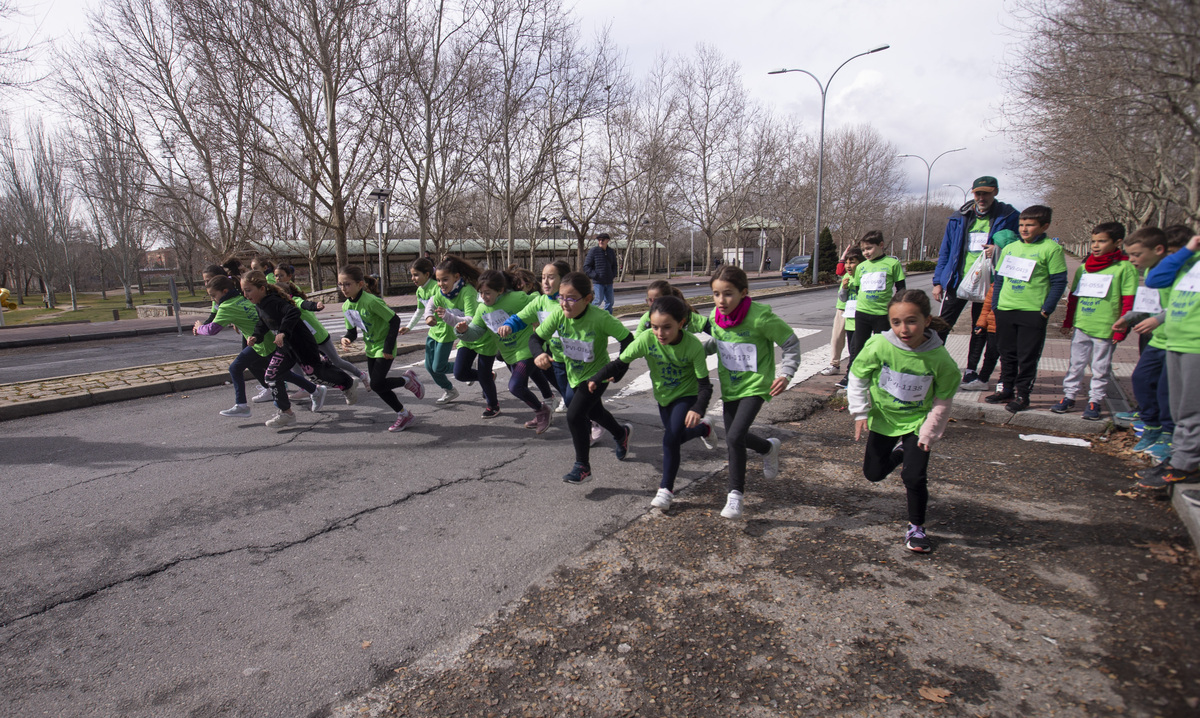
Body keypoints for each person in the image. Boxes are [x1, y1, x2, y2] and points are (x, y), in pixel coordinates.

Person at [848, 290, 960, 554]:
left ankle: (917, 527)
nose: (903, 329)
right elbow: (858, 376)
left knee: (915, 477)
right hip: (884, 419)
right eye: (896, 322)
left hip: (918, 423)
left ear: (927, 321)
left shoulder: (941, 360)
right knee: (873, 474)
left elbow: (943, 401)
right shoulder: (879, 345)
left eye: (911, 321)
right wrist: (861, 412)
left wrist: (929, 433)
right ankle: (899, 453)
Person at [589, 295, 715, 510]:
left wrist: (698, 408)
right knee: (675, 437)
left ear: (681, 323)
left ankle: (666, 489)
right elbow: (620, 362)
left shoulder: (692, 345)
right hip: (663, 396)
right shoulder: (647, 339)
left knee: (670, 439)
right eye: (655, 327)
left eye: (666, 327)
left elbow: (705, 386)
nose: (660, 333)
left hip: (686, 395)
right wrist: (596, 377)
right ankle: (704, 429)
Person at [708, 265, 800, 519]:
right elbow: (718, 342)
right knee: (733, 437)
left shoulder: (760, 317)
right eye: (716, 294)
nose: (721, 300)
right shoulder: (716, 316)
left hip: (756, 385)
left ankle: (735, 496)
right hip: (731, 386)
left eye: (727, 294)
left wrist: (786, 374)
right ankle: (768, 449)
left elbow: (790, 343)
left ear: (743, 293)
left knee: (735, 437)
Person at [531, 272, 634, 484]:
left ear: (587, 299)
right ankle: (620, 433)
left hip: (598, 375)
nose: (564, 304)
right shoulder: (559, 315)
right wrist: (538, 354)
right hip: (574, 374)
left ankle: (582, 467)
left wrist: (618, 370)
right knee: (594, 411)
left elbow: (629, 341)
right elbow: (535, 338)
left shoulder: (600, 318)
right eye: (561, 297)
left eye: (571, 298)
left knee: (575, 415)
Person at [193, 275, 326, 417]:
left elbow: (212, 330)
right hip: (261, 341)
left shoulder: (227, 306)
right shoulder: (241, 298)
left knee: (279, 374)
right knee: (237, 368)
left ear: (225, 292)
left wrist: (199, 327)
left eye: (214, 295)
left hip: (265, 344)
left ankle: (308, 394)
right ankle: (242, 405)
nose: (213, 299)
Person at [243, 271, 356, 429]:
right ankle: (286, 414)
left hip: (302, 343)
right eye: (243, 290)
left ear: (261, 288)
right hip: (286, 347)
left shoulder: (273, 301)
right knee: (271, 376)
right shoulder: (260, 305)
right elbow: (263, 323)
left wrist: (283, 331)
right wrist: (255, 336)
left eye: (248, 290)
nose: (245, 294)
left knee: (316, 375)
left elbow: (293, 312)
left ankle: (348, 383)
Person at [985, 205, 1068, 413]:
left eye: (1030, 225)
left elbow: (1059, 282)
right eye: (1022, 224)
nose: (1024, 229)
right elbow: (1001, 278)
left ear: (1044, 226)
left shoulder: (1051, 249)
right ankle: (1006, 389)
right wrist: (996, 305)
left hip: (1032, 311)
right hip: (1005, 309)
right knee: (1006, 353)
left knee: (1027, 356)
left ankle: (1023, 395)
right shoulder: (1012, 248)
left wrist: (1046, 309)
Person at [1051, 222, 1137, 421]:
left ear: (1118, 242)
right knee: (1076, 364)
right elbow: (1073, 296)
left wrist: (1121, 328)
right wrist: (1068, 322)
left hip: (1106, 328)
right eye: (1093, 241)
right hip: (1082, 325)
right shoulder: (1084, 267)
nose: (1095, 246)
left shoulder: (1125, 268)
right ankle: (1069, 396)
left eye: (1102, 241)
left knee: (1100, 367)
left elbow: (1128, 301)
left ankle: (1095, 401)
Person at [455, 269, 555, 433]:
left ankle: (542, 411)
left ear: (500, 290)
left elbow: (537, 299)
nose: (484, 297)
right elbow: (477, 332)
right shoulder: (482, 309)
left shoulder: (516, 298)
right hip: (510, 354)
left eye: (488, 293)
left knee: (515, 386)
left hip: (528, 349)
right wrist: (463, 331)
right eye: (481, 293)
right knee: (524, 384)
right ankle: (545, 406)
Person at [1137, 233, 1200, 487]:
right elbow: (1155, 279)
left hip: (1195, 344)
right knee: (1179, 408)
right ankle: (1179, 457)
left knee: (1193, 408)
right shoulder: (1189, 260)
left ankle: (1185, 464)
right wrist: (1188, 250)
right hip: (1177, 340)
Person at [932, 176, 1020, 341]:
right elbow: (946, 251)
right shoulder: (959, 217)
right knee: (941, 326)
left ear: (995, 192)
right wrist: (938, 282)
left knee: (979, 328)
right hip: (957, 280)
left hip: (987, 281)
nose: (981, 198)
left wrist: (1000, 249)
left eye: (986, 194)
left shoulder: (1009, 216)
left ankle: (972, 367)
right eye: (977, 193)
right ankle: (932, 363)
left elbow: (1021, 245)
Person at [338, 265, 424, 432]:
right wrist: (347, 338)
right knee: (378, 385)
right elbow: (352, 330)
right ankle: (404, 412)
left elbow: (395, 321)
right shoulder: (346, 306)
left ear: (360, 284)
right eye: (340, 285)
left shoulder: (371, 301)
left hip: (384, 345)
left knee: (376, 384)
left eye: (347, 284)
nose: (343, 288)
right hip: (370, 347)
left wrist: (388, 346)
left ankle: (407, 383)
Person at [1113, 227, 1174, 462]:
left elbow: (1183, 304)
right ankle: (1151, 426)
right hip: (1157, 338)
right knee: (1141, 378)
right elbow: (1148, 302)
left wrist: (1157, 319)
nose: (1131, 260)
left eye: (1137, 254)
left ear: (1158, 250)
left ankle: (1167, 435)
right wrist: (1128, 318)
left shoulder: (1176, 273)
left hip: (1177, 340)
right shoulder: (1150, 272)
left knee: (1166, 388)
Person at [497, 261, 576, 415]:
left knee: (578, 399)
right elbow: (520, 317)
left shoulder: (572, 302)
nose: (545, 282)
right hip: (554, 358)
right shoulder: (540, 301)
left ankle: (601, 425)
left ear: (564, 280)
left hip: (575, 359)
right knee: (570, 397)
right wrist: (509, 325)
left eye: (551, 277)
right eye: (543, 277)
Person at [428, 255, 501, 418]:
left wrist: (448, 317)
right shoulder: (443, 292)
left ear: (456, 277)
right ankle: (488, 378)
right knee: (460, 373)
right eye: (438, 280)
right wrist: (428, 316)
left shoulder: (467, 291)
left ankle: (493, 405)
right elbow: (430, 303)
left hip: (482, 337)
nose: (441, 284)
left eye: (445, 280)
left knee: (483, 374)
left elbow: (471, 319)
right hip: (467, 338)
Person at [837, 231, 906, 389]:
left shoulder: (892, 264)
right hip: (862, 313)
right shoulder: (861, 267)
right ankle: (853, 378)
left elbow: (901, 289)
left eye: (869, 248)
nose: (866, 253)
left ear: (881, 245)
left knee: (882, 348)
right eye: (863, 250)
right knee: (857, 347)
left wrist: (897, 310)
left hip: (882, 314)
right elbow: (858, 289)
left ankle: (883, 379)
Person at [401, 258, 459, 405]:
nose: (413, 278)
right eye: (412, 275)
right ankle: (449, 390)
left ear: (427, 274)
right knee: (429, 367)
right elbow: (420, 310)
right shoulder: (420, 290)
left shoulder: (436, 287)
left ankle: (468, 368)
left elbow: (450, 306)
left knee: (439, 366)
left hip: (445, 331)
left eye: (416, 275)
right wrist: (409, 326)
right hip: (433, 332)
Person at [823, 248, 864, 376]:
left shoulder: (863, 276)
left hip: (857, 312)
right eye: (847, 262)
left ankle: (854, 370)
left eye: (852, 262)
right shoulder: (846, 276)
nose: (848, 266)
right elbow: (842, 297)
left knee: (854, 344)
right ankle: (834, 365)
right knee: (836, 339)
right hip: (842, 310)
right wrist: (845, 288)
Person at [583, 232, 618, 312]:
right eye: (599, 240)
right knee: (598, 300)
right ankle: (588, 313)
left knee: (610, 302)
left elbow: (614, 265)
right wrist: (595, 275)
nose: (600, 242)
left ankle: (608, 318)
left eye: (602, 240)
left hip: (609, 281)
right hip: (598, 282)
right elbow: (586, 266)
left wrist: (613, 274)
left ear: (607, 241)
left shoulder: (611, 251)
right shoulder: (593, 251)